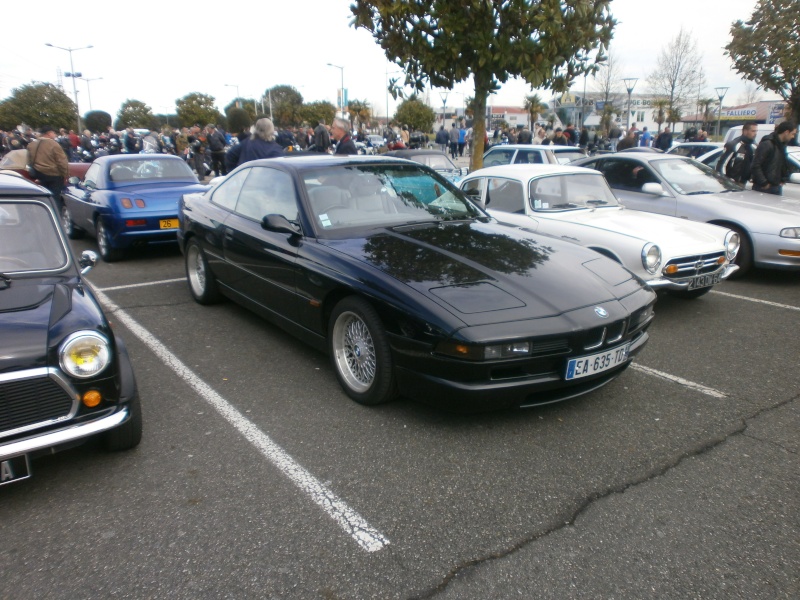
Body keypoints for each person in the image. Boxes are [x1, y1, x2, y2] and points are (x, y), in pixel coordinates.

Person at [27, 126, 69, 210]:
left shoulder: (31, 144)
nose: (55, 134)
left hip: (39, 173)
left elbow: (29, 160)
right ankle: (56, 216)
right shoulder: (54, 144)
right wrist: (66, 174)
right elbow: (62, 161)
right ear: (49, 133)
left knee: (44, 197)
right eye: (54, 133)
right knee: (55, 198)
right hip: (54, 174)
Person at [751, 120, 798, 196]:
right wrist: (764, 183)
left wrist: (783, 179)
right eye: (792, 134)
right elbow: (755, 165)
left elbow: (783, 164)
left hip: (776, 186)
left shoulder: (782, 146)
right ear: (786, 132)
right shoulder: (767, 144)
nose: (793, 137)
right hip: (763, 188)